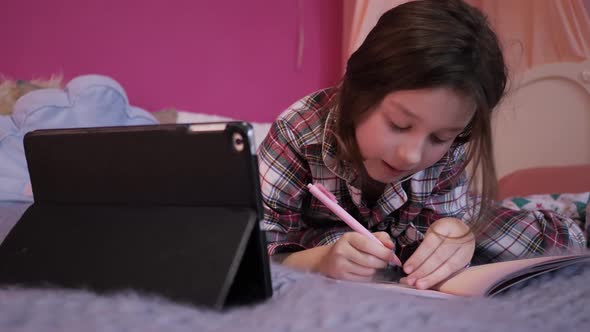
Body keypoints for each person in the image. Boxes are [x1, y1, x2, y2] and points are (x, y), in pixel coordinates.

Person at [257, 0, 586, 290]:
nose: (411, 155)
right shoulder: (297, 133)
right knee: (330, 240)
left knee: (513, 236)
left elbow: (445, 221)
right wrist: (316, 262)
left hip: (421, 228)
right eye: (399, 125)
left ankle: (575, 211)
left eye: (440, 138)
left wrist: (454, 230)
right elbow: (258, 249)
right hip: (325, 242)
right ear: (358, 91)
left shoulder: (453, 142)